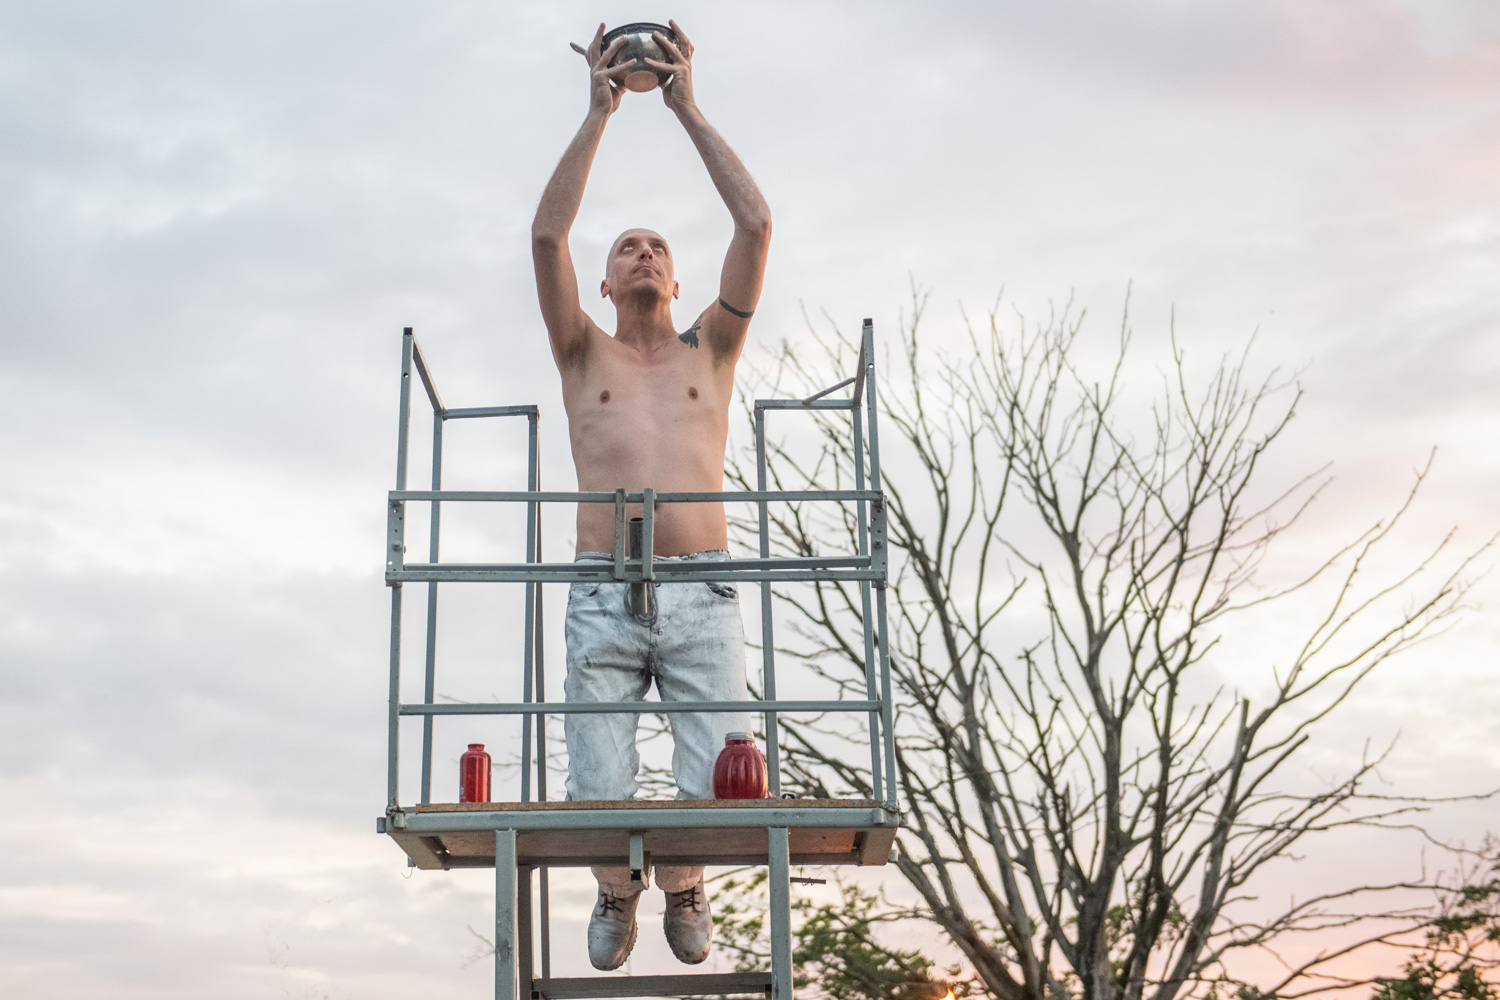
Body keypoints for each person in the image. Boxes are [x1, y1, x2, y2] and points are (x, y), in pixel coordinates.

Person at [529, 21, 772, 971]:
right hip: (602, 586)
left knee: (720, 772)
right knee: (597, 775)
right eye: (624, 246)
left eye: (654, 246)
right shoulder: (580, 348)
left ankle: (683, 883)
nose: (639, 252)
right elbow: (547, 233)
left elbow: (755, 227)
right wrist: (597, 113)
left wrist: (684, 107)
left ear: (674, 277)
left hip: (700, 584)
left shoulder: (710, 347)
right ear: (605, 277)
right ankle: (612, 889)